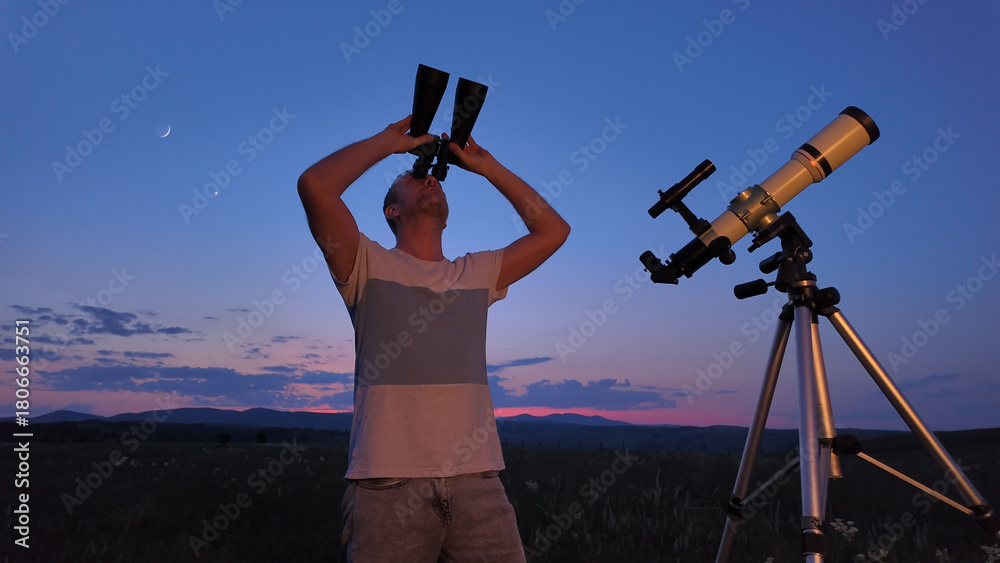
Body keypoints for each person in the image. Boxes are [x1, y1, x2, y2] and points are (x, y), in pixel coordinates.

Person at [297, 115, 570, 562]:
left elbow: (554, 231)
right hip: (386, 484)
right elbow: (315, 186)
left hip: (478, 480)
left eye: (433, 178)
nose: (429, 181)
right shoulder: (364, 263)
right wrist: (388, 144)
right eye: (414, 178)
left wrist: (489, 167)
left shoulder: (476, 273)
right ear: (392, 211)